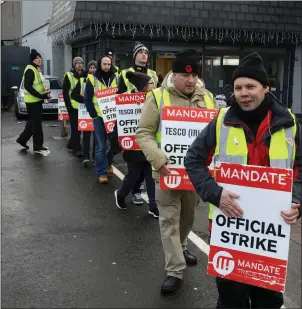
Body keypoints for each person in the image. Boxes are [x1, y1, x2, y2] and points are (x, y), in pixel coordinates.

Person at [184, 52, 302, 308]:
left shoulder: (289, 123)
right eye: (238, 87)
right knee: (231, 299)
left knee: (268, 301)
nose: (243, 93)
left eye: (250, 86)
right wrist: (215, 194)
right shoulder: (221, 120)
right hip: (230, 229)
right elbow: (193, 161)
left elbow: (299, 168)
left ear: (266, 88)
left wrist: (297, 202)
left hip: (269, 232)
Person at [135, 49, 217, 294]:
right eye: (184, 75)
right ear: (174, 74)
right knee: (169, 220)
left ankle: (181, 245)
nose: (190, 80)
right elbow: (144, 133)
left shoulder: (209, 98)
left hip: (195, 176)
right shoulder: (157, 97)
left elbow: (215, 135)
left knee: (188, 217)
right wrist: (159, 160)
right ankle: (175, 270)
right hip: (167, 172)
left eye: (194, 76)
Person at [114, 71, 159, 217]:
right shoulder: (128, 101)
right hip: (134, 148)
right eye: (151, 83)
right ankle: (120, 195)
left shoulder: (155, 99)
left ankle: (153, 206)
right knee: (132, 177)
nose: (154, 85)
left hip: (149, 146)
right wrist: (116, 142)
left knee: (150, 178)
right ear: (144, 86)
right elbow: (121, 123)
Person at [84, 55, 119, 184]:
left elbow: (120, 95)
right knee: (100, 146)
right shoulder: (92, 79)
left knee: (113, 144)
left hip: (113, 117)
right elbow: (87, 99)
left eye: (109, 64)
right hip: (99, 117)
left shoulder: (116, 77)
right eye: (104, 64)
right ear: (100, 64)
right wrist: (93, 115)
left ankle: (108, 162)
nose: (106, 66)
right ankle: (101, 173)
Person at [16, 49, 50, 155]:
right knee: (37, 124)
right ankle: (37, 146)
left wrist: (45, 93)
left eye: (40, 58)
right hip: (32, 102)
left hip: (36, 101)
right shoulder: (30, 69)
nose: (39, 59)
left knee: (32, 123)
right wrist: (40, 95)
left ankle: (22, 140)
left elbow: (40, 84)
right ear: (33, 60)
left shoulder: (36, 69)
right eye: (37, 58)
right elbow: (28, 86)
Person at [70, 60, 97, 166]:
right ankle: (86, 156)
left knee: (97, 136)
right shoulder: (82, 80)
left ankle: (95, 156)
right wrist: (86, 100)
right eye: (90, 67)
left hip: (98, 113)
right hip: (86, 112)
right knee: (86, 135)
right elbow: (73, 95)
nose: (92, 69)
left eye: (94, 67)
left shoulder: (100, 80)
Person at [63, 56, 85, 157]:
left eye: (81, 63)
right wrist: (68, 106)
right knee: (75, 128)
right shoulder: (69, 75)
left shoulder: (85, 75)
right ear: (74, 64)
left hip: (83, 107)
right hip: (73, 106)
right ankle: (77, 148)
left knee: (80, 128)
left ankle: (72, 145)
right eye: (77, 63)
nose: (80, 64)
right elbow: (65, 93)